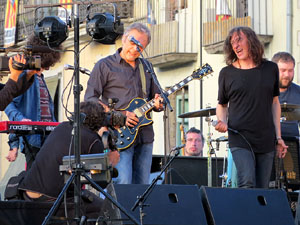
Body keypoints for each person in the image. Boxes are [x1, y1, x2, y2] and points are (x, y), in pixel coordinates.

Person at [84, 22, 164, 184]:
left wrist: (159, 104)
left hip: (145, 135)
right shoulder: (104, 65)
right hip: (118, 135)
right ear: (124, 39)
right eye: (133, 43)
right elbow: (90, 99)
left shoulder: (146, 67)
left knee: (143, 187)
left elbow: (157, 97)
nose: (135, 49)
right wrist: (120, 116)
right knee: (123, 183)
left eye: (141, 47)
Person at [18, 101, 120, 218]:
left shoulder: (61, 127)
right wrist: (110, 163)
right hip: (53, 200)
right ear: (99, 121)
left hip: (27, 193)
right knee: (104, 208)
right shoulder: (93, 140)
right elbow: (100, 183)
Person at [214, 26, 288, 188]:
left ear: (251, 41)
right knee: (246, 182)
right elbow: (222, 104)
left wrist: (278, 137)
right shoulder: (227, 73)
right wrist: (221, 121)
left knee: (263, 188)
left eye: (239, 40)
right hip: (239, 137)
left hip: (265, 138)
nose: (236, 45)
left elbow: (275, 103)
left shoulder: (270, 69)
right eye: (232, 42)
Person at [5, 34, 60, 169]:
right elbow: (8, 103)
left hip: (48, 138)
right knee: (33, 180)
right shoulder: (24, 76)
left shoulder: (41, 78)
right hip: (33, 140)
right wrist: (14, 144)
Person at [271, 52, 300, 137]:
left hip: (294, 145)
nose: (287, 75)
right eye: (283, 70)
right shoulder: (262, 91)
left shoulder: (298, 92)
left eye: (290, 70)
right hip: (267, 145)